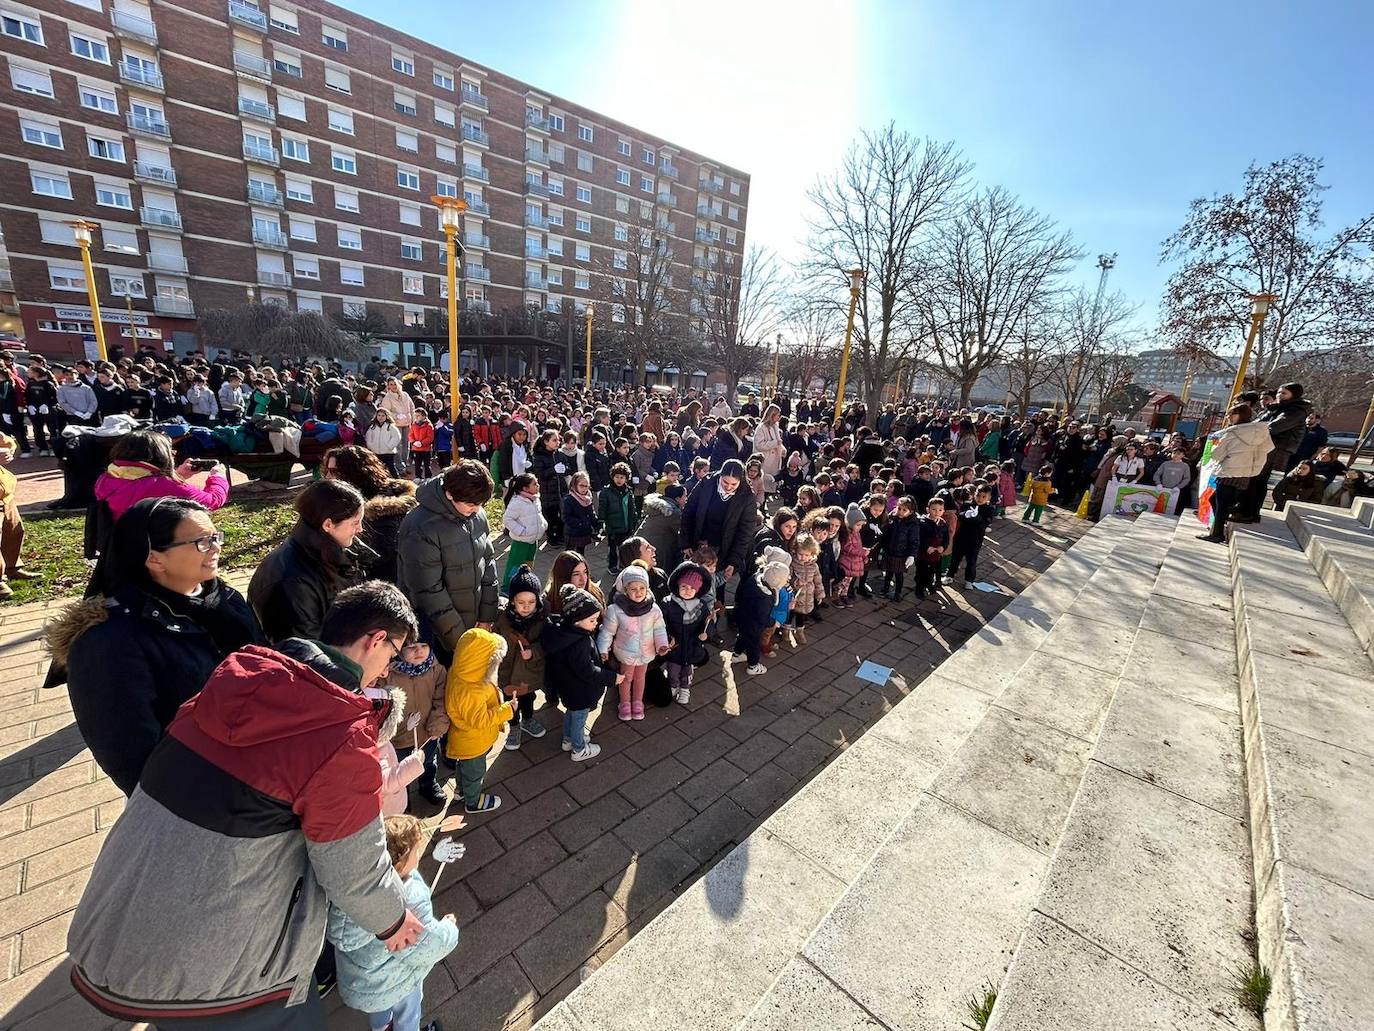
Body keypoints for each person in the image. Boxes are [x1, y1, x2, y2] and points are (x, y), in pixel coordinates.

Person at [67, 581, 425, 1029]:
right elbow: (352, 866)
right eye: (391, 655)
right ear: (375, 640)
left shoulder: (235, 680)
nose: (386, 671)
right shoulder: (340, 737)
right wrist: (392, 922)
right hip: (221, 971)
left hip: (118, 923)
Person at [47, 498, 263, 794]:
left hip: (258, 764)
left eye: (215, 536)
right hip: (199, 794)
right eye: (202, 542)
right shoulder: (109, 643)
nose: (216, 547)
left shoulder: (222, 598)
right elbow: (132, 757)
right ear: (154, 559)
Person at [327, 813, 459, 1031]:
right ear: (399, 863)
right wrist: (449, 927)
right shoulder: (409, 900)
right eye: (417, 850)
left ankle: (381, 1028)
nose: (420, 853)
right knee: (408, 1012)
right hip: (396, 982)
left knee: (379, 1010)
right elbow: (429, 945)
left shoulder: (351, 894)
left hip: (364, 986)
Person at [249, 479, 377, 642]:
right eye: (355, 522)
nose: (360, 529)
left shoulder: (333, 550)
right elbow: (304, 649)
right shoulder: (293, 581)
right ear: (328, 524)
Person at [397, 461, 500, 662]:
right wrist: (460, 639)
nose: (478, 509)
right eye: (471, 504)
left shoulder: (476, 515)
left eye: (481, 504)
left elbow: (488, 563)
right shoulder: (420, 526)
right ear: (450, 494)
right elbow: (428, 592)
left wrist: (487, 616)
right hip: (440, 636)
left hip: (475, 626)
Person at [444, 626, 519, 814]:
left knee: (464, 768)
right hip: (473, 741)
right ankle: (473, 801)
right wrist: (507, 710)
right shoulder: (471, 690)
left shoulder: (461, 673)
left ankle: (461, 791)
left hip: (466, 740)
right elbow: (481, 720)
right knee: (475, 772)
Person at [542, 585, 621, 761]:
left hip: (569, 689)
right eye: (592, 620)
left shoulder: (566, 634)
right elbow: (588, 671)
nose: (595, 624)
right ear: (577, 619)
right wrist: (613, 677)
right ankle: (579, 749)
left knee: (571, 713)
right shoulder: (580, 642)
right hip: (581, 690)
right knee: (579, 719)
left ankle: (568, 739)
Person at [323, 445, 418, 585]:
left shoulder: (381, 513)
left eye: (334, 471)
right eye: (326, 471)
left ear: (354, 472)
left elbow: (382, 562)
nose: (327, 477)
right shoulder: (344, 502)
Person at [93, 429, 230, 522]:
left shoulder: (106, 478)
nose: (173, 455)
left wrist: (177, 475)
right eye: (171, 452)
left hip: (121, 546)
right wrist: (218, 478)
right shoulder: (161, 485)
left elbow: (138, 487)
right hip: (156, 550)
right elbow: (212, 501)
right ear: (159, 456)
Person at [379, 639, 449, 807]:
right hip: (398, 738)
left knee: (428, 760)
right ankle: (403, 795)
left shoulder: (436, 670)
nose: (418, 651)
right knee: (400, 769)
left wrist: (438, 722)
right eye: (410, 647)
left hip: (427, 732)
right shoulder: (387, 674)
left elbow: (441, 699)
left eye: (424, 645)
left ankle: (427, 784)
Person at [598, 563, 670, 720]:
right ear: (625, 590)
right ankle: (624, 702)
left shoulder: (653, 609)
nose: (638, 593)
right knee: (625, 677)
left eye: (642, 588)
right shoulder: (616, 610)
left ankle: (637, 701)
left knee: (640, 677)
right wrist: (603, 649)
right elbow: (607, 632)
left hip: (646, 651)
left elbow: (659, 629)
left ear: (647, 588)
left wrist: (662, 645)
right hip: (626, 653)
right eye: (633, 589)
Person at [676, 458, 761, 587]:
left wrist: (734, 561)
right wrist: (685, 541)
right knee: (692, 582)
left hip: (724, 550)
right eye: (725, 482)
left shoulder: (747, 497)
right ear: (720, 476)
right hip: (699, 544)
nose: (728, 487)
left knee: (716, 587)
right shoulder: (706, 483)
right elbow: (689, 512)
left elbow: (745, 533)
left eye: (734, 484)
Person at [1199, 402, 1274, 543]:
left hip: (1228, 473)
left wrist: (1215, 446)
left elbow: (1216, 455)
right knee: (1219, 502)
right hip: (1245, 473)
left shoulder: (1231, 433)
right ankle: (1218, 529)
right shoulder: (1261, 432)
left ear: (1241, 415)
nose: (1228, 417)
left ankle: (1217, 533)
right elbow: (1267, 450)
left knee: (1220, 504)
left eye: (1231, 414)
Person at [494, 565, 549, 750]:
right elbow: (493, 639)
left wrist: (533, 652)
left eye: (531, 602)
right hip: (507, 671)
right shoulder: (503, 619)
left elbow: (546, 644)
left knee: (528, 698)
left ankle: (528, 719)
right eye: (521, 602)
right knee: (510, 702)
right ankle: (514, 726)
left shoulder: (541, 620)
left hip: (529, 672)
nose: (526, 607)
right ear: (512, 602)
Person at [730, 548, 789, 676]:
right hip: (753, 624)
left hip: (741, 615)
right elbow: (763, 618)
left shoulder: (755, 578)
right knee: (753, 644)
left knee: (743, 636)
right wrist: (773, 622)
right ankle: (753, 665)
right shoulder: (764, 598)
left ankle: (736, 654)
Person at [660, 562, 712, 704]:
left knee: (687, 672)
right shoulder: (668, 603)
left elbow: (708, 623)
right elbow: (661, 624)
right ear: (677, 586)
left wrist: (706, 634)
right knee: (673, 670)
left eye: (692, 588)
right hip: (675, 646)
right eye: (684, 586)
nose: (687, 591)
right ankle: (673, 685)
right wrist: (666, 637)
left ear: (698, 590)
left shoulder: (701, 606)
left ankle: (685, 689)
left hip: (692, 646)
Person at [500, 473, 546, 591]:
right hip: (521, 542)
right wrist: (521, 531)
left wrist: (543, 525)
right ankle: (507, 587)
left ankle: (524, 582)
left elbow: (538, 515)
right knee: (515, 564)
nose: (538, 485)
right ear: (525, 488)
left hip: (533, 540)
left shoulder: (535, 499)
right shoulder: (517, 502)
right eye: (534, 484)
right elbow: (507, 519)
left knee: (529, 563)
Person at [597, 462, 639, 575]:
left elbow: (632, 508)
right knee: (612, 549)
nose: (619, 480)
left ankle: (624, 564)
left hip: (626, 525)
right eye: (616, 477)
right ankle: (612, 565)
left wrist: (634, 521)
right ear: (612, 477)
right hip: (613, 526)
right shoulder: (606, 492)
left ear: (626, 478)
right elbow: (602, 508)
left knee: (625, 547)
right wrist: (601, 522)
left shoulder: (628, 491)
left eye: (622, 477)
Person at [949, 486, 993, 586]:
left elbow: (985, 524)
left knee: (971, 561)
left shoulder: (989, 509)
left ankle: (969, 580)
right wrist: (965, 514)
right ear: (974, 494)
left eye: (984, 497)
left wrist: (977, 517)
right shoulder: (967, 505)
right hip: (961, 537)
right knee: (955, 558)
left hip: (975, 540)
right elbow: (959, 516)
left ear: (988, 498)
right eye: (978, 495)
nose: (980, 499)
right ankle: (950, 575)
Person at [786, 533, 825, 641]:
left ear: (812, 554)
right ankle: (786, 630)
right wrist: (796, 582)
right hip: (795, 595)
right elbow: (788, 577)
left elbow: (818, 580)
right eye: (801, 554)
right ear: (795, 551)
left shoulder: (813, 565)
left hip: (808, 595)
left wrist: (820, 594)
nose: (803, 557)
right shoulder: (792, 563)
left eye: (807, 555)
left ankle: (799, 631)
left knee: (802, 615)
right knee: (790, 613)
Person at [543, 550, 605, 615]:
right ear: (563, 577)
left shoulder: (596, 593)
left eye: (585, 572)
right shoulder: (548, 603)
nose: (583, 579)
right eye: (576, 574)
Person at [915, 498, 948, 598]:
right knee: (921, 571)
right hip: (923, 553)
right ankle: (919, 588)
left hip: (936, 553)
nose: (937, 512)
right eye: (934, 509)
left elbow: (946, 538)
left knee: (932, 570)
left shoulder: (943, 523)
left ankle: (929, 584)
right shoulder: (922, 522)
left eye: (940, 510)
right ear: (928, 509)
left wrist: (943, 546)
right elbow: (919, 537)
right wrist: (926, 547)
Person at [561, 471, 600, 553]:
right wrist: (580, 523)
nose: (584, 489)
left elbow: (591, 513)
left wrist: (597, 524)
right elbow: (566, 517)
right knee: (569, 555)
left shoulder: (588, 498)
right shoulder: (568, 499)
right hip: (572, 533)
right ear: (574, 485)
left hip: (584, 532)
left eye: (586, 486)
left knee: (581, 554)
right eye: (581, 486)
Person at [367, 408, 403, 476]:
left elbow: (397, 437)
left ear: (387, 416)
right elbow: (368, 437)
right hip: (376, 452)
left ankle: (397, 480)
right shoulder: (373, 427)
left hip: (388, 452)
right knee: (378, 468)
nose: (381, 417)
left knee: (391, 468)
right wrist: (371, 446)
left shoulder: (391, 427)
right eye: (379, 415)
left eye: (383, 415)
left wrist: (389, 446)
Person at [408, 409, 435, 480]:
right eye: (415, 415)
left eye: (418, 415)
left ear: (424, 416)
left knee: (427, 464)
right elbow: (410, 435)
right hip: (416, 448)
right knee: (417, 464)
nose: (416, 417)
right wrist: (413, 442)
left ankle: (428, 477)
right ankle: (418, 476)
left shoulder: (429, 426)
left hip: (426, 449)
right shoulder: (413, 425)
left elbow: (430, 437)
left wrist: (422, 443)